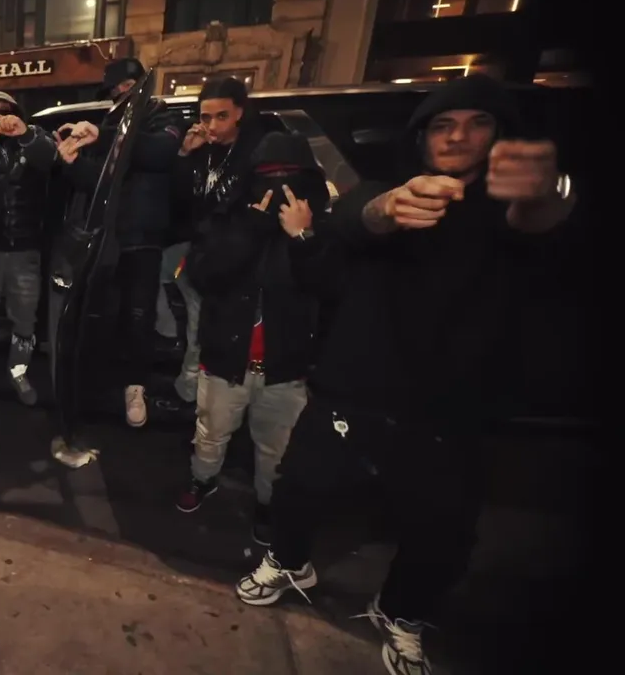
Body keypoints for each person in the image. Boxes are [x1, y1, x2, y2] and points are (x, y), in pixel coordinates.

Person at [235, 75, 577, 675]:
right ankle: (289, 561)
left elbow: (541, 226)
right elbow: (351, 223)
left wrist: (545, 196)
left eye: (477, 123)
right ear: (421, 138)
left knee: (443, 532)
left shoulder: (510, 214)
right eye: (443, 125)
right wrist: (386, 209)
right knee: (299, 488)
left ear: (502, 136)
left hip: (453, 405)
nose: (458, 136)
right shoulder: (387, 192)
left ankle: (401, 612)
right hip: (355, 389)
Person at [176, 133, 331, 548]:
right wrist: (248, 231)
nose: (278, 185)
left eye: (289, 175)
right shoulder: (229, 217)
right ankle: (203, 478)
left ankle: (266, 505)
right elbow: (202, 275)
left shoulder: (322, 227)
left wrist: (302, 238)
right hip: (225, 361)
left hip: (286, 368)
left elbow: (330, 288)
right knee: (211, 433)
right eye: (268, 175)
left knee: (276, 449)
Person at [56, 57, 183, 427]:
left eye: (128, 87)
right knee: (103, 316)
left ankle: (136, 387)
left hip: (144, 238)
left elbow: (157, 153)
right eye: (115, 91)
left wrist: (105, 135)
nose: (122, 95)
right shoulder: (110, 124)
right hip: (107, 237)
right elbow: (98, 180)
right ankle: (100, 388)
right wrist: (71, 162)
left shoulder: (163, 117)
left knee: (139, 316)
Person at [167, 76, 267, 402]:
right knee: (197, 325)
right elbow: (181, 201)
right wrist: (185, 154)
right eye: (205, 117)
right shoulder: (202, 150)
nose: (211, 125)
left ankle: (195, 391)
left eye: (221, 116)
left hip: (235, 259)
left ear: (239, 112)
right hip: (201, 254)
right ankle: (192, 388)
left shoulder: (255, 150)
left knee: (211, 329)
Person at [0, 90, 58, 406]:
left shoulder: (33, 137)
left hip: (26, 248)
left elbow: (50, 160)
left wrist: (25, 133)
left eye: (5, 111)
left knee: (25, 320)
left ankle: (19, 371)